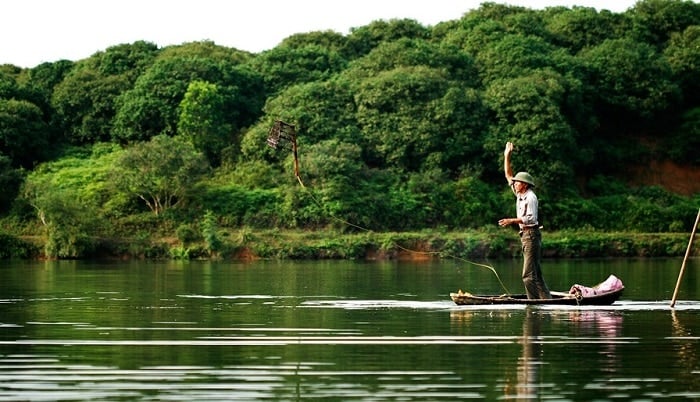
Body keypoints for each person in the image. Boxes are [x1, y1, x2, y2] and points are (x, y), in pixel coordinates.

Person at [498, 141, 551, 299]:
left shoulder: (531, 197)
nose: (514, 183)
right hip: (526, 236)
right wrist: (507, 155)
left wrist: (511, 221)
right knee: (536, 274)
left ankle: (533, 303)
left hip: (531, 235)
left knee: (527, 275)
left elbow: (530, 218)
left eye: (518, 181)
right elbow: (508, 174)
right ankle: (546, 300)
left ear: (525, 185)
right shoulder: (520, 193)